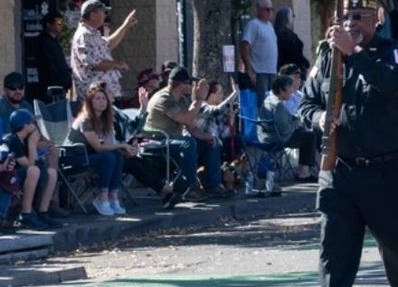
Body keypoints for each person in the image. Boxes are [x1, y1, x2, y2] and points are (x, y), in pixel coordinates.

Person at [297, 0, 398, 287]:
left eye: (358, 17)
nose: (350, 23)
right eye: (345, 17)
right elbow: (307, 103)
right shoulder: (329, 55)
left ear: (376, 19)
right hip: (340, 171)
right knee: (333, 259)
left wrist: (354, 53)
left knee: (396, 253)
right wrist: (318, 119)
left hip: (386, 171)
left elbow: (392, 84)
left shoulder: (396, 52)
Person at [144, 66, 230, 199]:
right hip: (158, 143)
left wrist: (208, 137)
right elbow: (186, 118)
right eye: (190, 83)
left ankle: (213, 185)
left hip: (174, 141)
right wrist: (200, 99)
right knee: (188, 143)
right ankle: (189, 188)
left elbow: (191, 126)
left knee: (210, 143)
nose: (193, 86)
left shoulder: (183, 99)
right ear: (181, 85)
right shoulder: (164, 99)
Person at [69, 82, 136, 216]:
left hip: (92, 156)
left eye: (104, 98)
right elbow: (99, 148)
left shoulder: (104, 119)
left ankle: (113, 196)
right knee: (108, 156)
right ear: (90, 102)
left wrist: (125, 146)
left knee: (116, 155)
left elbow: (108, 144)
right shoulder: (86, 120)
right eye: (97, 99)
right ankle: (101, 196)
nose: (101, 102)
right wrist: (122, 145)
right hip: (76, 158)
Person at [3, 109, 62, 230]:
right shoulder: (12, 140)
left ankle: (43, 212)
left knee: (51, 172)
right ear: (25, 126)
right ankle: (26, 214)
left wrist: (41, 143)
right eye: (32, 123)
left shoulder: (25, 139)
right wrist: (32, 144)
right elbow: (28, 164)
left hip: (25, 175)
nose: (34, 125)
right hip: (8, 177)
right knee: (33, 170)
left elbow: (41, 154)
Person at [70, 0, 136, 102]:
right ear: (92, 15)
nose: (105, 15)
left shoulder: (92, 33)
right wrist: (117, 65)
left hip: (105, 97)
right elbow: (94, 64)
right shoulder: (84, 35)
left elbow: (108, 44)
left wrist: (125, 26)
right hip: (94, 100)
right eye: (103, 12)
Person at [260, 75, 317, 182]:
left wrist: (294, 119)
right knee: (310, 137)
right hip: (278, 138)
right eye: (290, 89)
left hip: (266, 136)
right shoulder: (278, 105)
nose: (292, 92)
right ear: (282, 90)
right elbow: (285, 130)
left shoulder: (268, 100)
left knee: (304, 134)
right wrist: (298, 123)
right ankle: (304, 172)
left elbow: (284, 121)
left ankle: (303, 169)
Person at [241, 0, 279, 101]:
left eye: (272, 9)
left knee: (272, 101)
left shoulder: (270, 26)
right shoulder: (253, 25)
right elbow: (245, 47)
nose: (270, 12)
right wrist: (249, 70)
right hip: (259, 71)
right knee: (262, 103)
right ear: (259, 9)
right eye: (267, 9)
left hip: (271, 71)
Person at [29, 11, 70, 103]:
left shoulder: (54, 41)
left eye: (62, 22)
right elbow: (48, 67)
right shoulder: (42, 42)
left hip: (60, 89)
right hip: (50, 90)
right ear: (49, 24)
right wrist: (62, 81)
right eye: (58, 22)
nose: (61, 25)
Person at [274, 7, 310, 73]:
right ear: (286, 17)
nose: (293, 18)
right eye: (292, 16)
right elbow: (294, 52)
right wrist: (304, 62)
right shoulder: (284, 35)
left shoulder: (288, 34)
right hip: (288, 70)